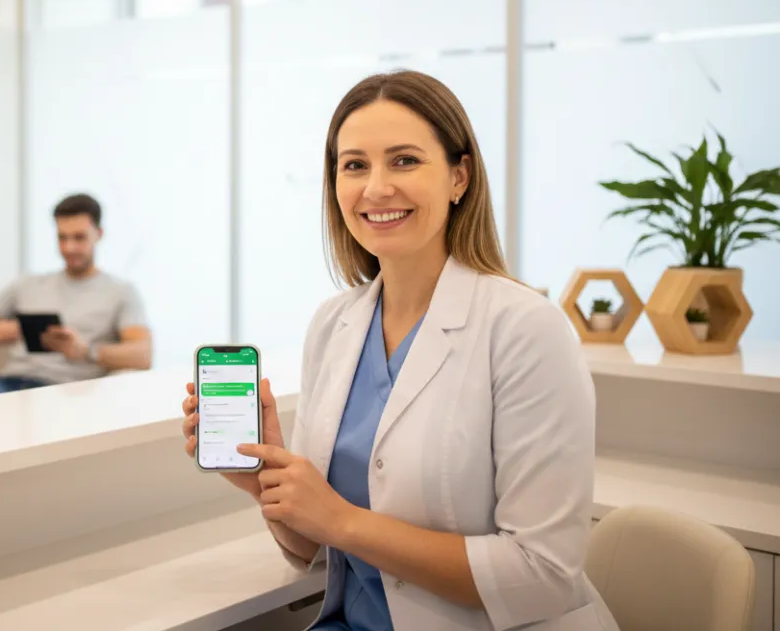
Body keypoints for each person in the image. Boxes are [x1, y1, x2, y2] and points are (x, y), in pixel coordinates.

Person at [181, 71, 617, 630]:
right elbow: (314, 546)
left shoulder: (526, 330)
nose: (376, 188)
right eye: (355, 165)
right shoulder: (333, 325)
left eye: (405, 160)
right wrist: (263, 480)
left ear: (459, 177)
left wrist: (341, 521)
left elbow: (541, 574)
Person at [0, 194, 151, 397]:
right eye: (62, 237)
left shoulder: (121, 292)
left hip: (62, 394)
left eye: (79, 238)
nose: (68, 248)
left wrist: (87, 351)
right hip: (7, 388)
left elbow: (143, 354)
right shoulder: (26, 284)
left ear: (98, 234)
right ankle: (1, 422)